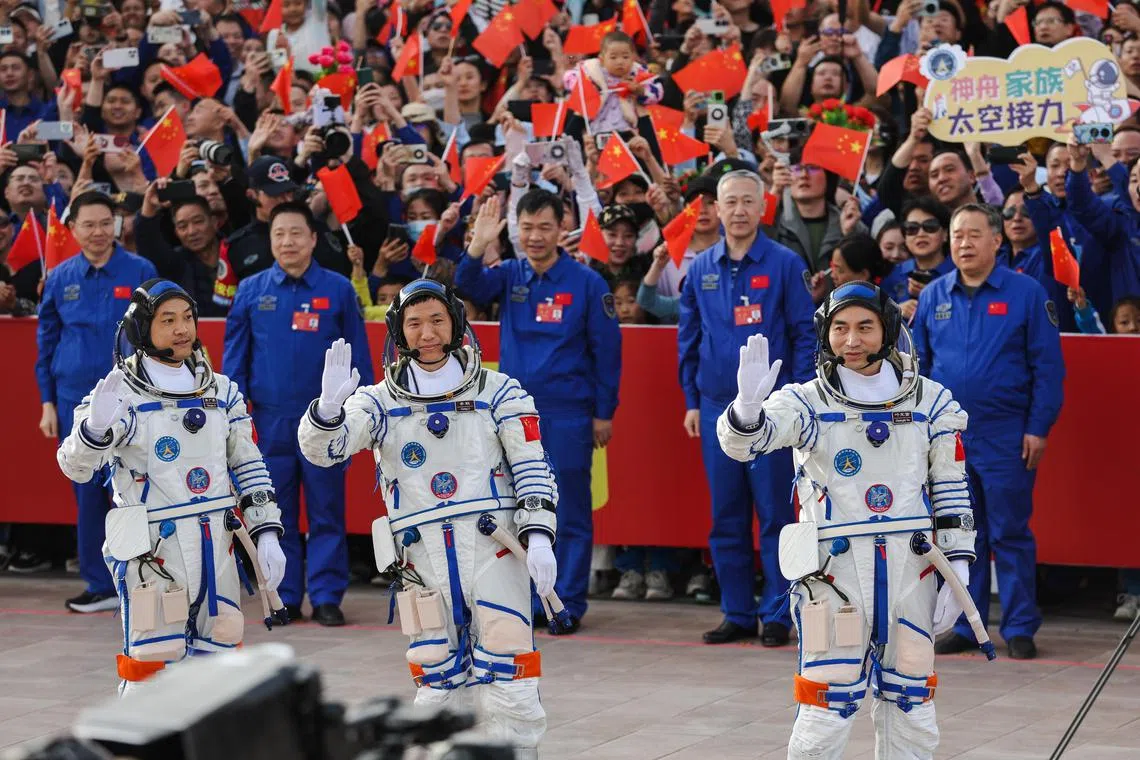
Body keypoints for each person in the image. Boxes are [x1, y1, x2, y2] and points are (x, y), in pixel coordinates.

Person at [717, 282, 977, 760]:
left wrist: (958, 568)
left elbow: (951, 488)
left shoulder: (931, 403)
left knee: (911, 703)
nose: (851, 340)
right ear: (825, 333)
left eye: (864, 327)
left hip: (911, 571)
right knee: (825, 705)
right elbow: (744, 444)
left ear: (888, 331)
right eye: (840, 328)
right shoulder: (807, 402)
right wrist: (747, 408)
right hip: (833, 579)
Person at [297, 281, 556, 757]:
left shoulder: (500, 392)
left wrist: (539, 536)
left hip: (493, 551)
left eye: (437, 320)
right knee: (437, 684)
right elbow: (327, 450)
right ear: (399, 332)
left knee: (511, 679)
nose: (428, 333)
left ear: (456, 323)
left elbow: (532, 467)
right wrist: (329, 411)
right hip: (422, 562)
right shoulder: (378, 401)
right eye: (414, 323)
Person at [55, 280, 287, 694]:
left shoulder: (221, 390)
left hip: (217, 545)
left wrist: (266, 531)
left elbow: (249, 464)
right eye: (168, 320)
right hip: (155, 552)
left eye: (187, 318)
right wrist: (94, 429)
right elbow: (75, 466)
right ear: (142, 329)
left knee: (218, 671)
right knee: (150, 668)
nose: (182, 329)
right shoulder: (119, 392)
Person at [455, 191, 621, 633]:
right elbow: (466, 287)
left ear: (561, 227)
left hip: (568, 412)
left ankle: (564, 603)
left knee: (568, 509)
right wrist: (476, 246)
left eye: (544, 227)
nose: (534, 237)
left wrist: (604, 412)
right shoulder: (509, 274)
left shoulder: (587, 283)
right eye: (526, 228)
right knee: (516, 508)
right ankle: (526, 599)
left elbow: (607, 352)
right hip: (512, 414)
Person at [912, 204, 1065, 660]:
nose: (964, 243)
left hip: (1006, 434)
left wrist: (1038, 427)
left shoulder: (1026, 293)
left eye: (974, 235)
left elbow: (1048, 368)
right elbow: (916, 370)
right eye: (957, 235)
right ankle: (965, 623)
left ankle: (1019, 625)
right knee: (958, 534)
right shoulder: (934, 296)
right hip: (948, 440)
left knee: (1009, 532)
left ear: (997, 241)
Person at [678, 169, 816, 645]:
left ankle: (778, 612)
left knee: (777, 515)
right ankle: (736, 611)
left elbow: (804, 334)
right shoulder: (701, 268)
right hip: (718, 409)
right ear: (715, 209)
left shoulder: (783, 263)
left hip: (774, 415)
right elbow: (689, 340)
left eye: (747, 202)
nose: (738, 211)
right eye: (729, 202)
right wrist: (692, 401)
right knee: (726, 515)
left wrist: (794, 403)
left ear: (762, 209)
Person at [222, 201, 373, 626]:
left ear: (312, 239)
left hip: (324, 421)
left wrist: (357, 412)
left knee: (327, 509)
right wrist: (231, 415)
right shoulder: (251, 290)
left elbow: (358, 357)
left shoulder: (338, 289)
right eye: (279, 234)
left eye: (295, 233)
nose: (287, 242)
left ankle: (327, 595)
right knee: (273, 511)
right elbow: (235, 361)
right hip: (268, 422)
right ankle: (283, 594)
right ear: (270, 241)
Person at [36, 192, 158, 613]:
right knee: (87, 493)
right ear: (73, 229)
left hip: (132, 400)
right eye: (88, 224)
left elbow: (156, 335)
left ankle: (146, 576)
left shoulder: (141, 271)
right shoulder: (60, 278)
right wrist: (48, 403)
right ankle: (99, 584)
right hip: (75, 402)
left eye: (106, 222)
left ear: (117, 225)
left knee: (136, 489)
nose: (98, 232)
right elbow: (45, 342)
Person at [563, 30, 662, 135]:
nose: (620, 62)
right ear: (602, 59)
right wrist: (588, 87)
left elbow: (658, 92)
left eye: (625, 57)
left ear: (633, 58)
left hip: (629, 131)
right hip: (597, 131)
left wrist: (641, 91)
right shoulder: (592, 70)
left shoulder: (638, 72)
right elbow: (568, 77)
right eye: (613, 57)